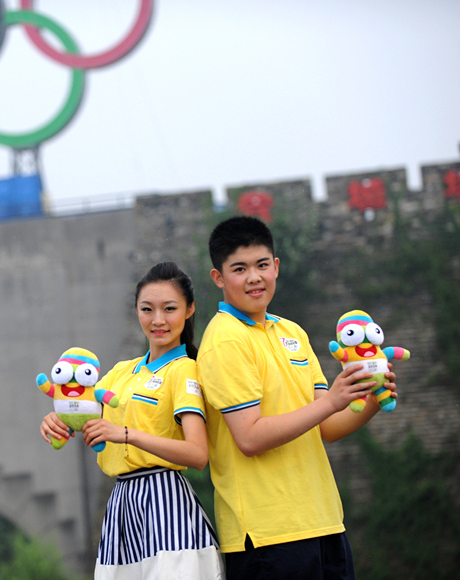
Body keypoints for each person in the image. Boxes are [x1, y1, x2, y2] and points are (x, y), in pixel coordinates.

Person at [197, 215, 399, 579]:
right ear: (219, 278)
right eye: (239, 269)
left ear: (276, 267)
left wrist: (370, 398)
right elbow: (249, 437)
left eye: (262, 265)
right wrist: (331, 401)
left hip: (324, 521)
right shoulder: (225, 340)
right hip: (268, 534)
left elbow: (328, 427)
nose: (254, 277)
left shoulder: (291, 332)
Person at [41, 261, 224, 579]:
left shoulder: (184, 370)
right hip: (123, 508)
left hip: (165, 503)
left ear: (189, 309)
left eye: (169, 309)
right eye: (147, 309)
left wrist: (126, 434)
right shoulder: (120, 373)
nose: (158, 320)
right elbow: (79, 415)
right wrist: (56, 421)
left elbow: (198, 454)